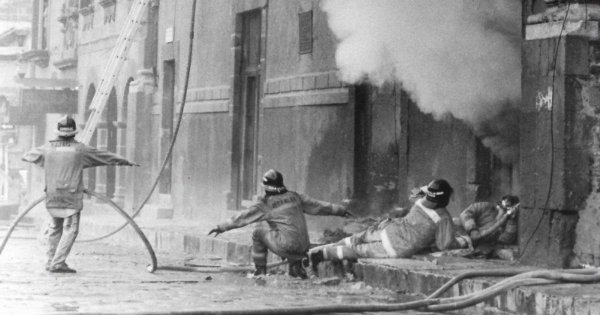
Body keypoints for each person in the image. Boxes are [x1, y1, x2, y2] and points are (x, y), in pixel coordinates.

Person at [22, 115, 138, 273]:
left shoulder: (47, 149)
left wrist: (48, 164)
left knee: (55, 227)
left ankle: (50, 261)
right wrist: (126, 161)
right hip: (71, 195)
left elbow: (27, 156)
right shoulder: (81, 150)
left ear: (58, 133)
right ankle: (58, 262)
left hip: (52, 194)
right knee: (71, 229)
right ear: (74, 133)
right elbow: (106, 157)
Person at [208, 169, 352, 279]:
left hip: (287, 246)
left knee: (258, 232)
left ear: (267, 187)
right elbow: (320, 206)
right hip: (304, 247)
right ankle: (296, 266)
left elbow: (242, 218)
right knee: (283, 230)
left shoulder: (266, 204)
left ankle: (260, 272)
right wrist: (341, 210)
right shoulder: (295, 197)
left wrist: (221, 227)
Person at [309, 179, 456, 272]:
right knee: (358, 251)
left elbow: (416, 192)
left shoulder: (419, 200)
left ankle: (314, 251)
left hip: (389, 229)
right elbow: (444, 244)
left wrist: (427, 188)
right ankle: (322, 255)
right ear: (444, 200)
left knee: (356, 238)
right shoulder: (443, 218)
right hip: (398, 247)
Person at [456, 195, 520, 257]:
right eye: (505, 203)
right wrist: (472, 229)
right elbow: (465, 214)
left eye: (509, 206)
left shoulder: (508, 222)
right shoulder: (486, 206)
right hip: (461, 232)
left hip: (479, 246)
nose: (504, 209)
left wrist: (511, 220)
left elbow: (507, 239)